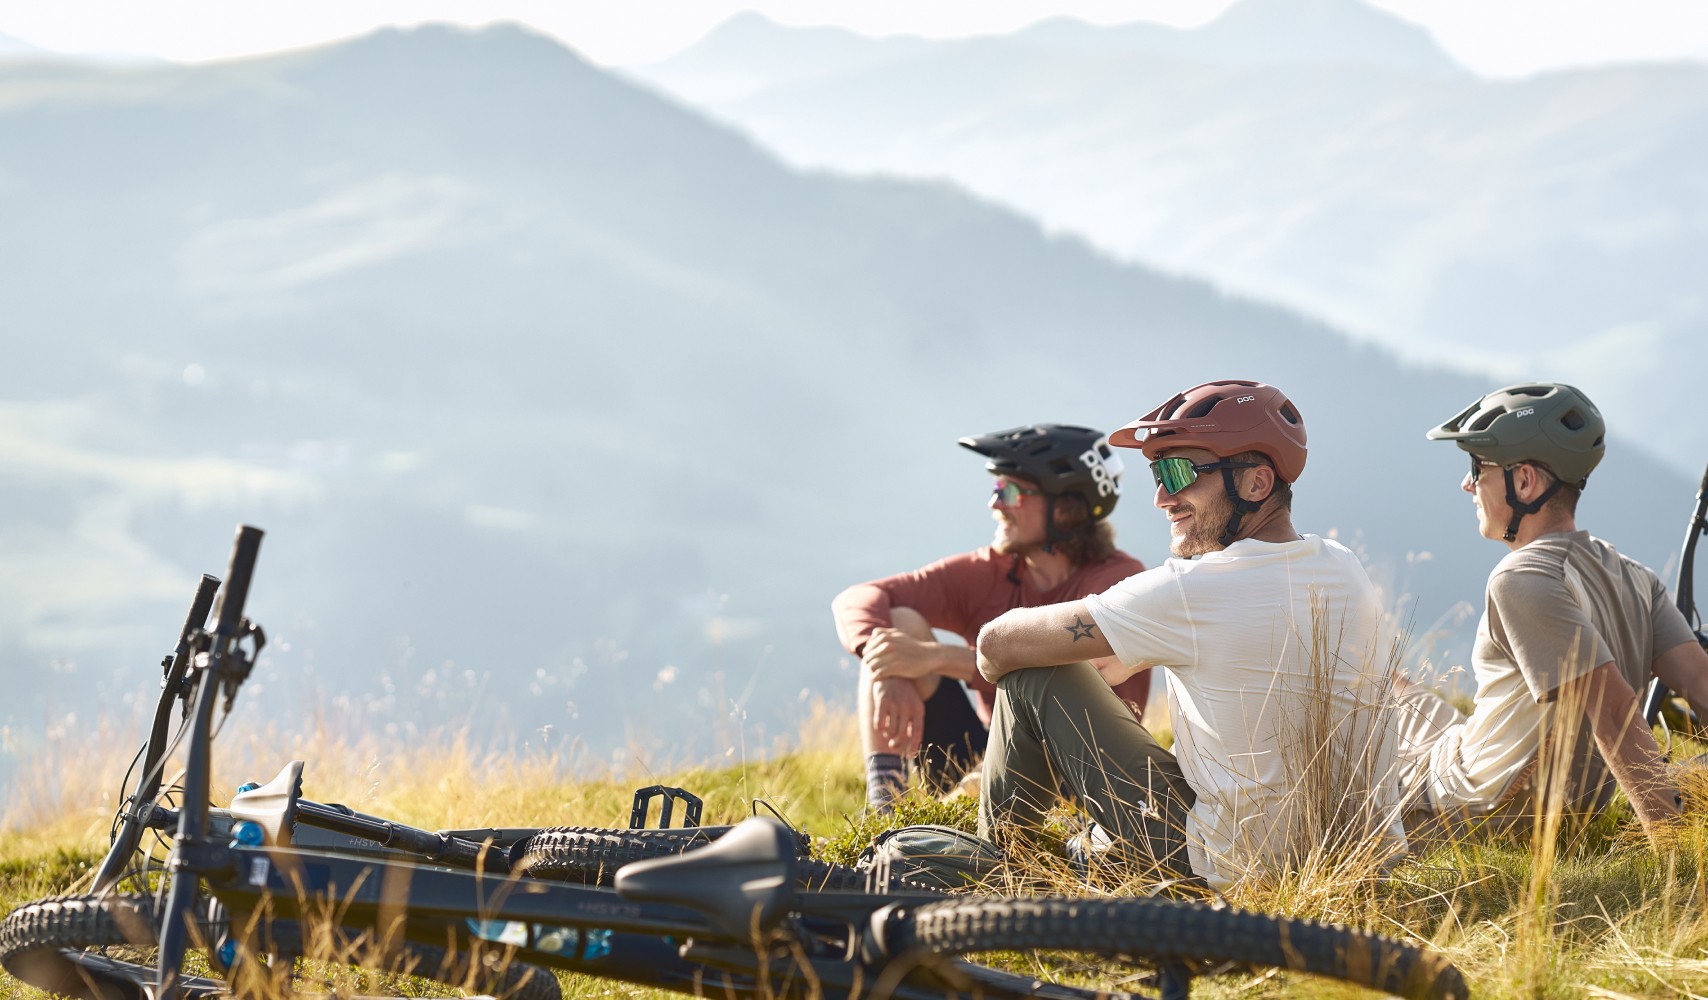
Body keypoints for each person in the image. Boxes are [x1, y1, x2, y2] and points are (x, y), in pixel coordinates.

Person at [976, 380, 1407, 888]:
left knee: (1033, 675)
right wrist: (1138, 651)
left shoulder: (1190, 590)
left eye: (1179, 472)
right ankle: (1084, 853)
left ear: (1256, 483)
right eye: (1158, 473)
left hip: (1225, 870)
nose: (1162, 497)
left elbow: (995, 645)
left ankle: (996, 875)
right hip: (1357, 863)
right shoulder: (1343, 565)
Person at [1395, 382, 1708, 844]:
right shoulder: (1636, 577)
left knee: (1358, 715)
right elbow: (1701, 683)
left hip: (1474, 812)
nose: (1468, 484)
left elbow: (1614, 710)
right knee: (1392, 687)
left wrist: (1672, 849)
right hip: (1521, 784)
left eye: (1478, 468)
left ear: (1525, 481)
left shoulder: (1520, 579)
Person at [832, 423, 1150, 812]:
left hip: (1080, 772)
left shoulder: (1117, 580)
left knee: (912, 645)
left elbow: (1069, 676)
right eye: (997, 490)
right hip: (987, 747)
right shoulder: (991, 570)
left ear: (1065, 508)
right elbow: (860, 597)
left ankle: (961, 810)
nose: (995, 504)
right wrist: (886, 665)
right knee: (898, 622)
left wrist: (935, 658)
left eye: (1010, 491)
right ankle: (885, 808)